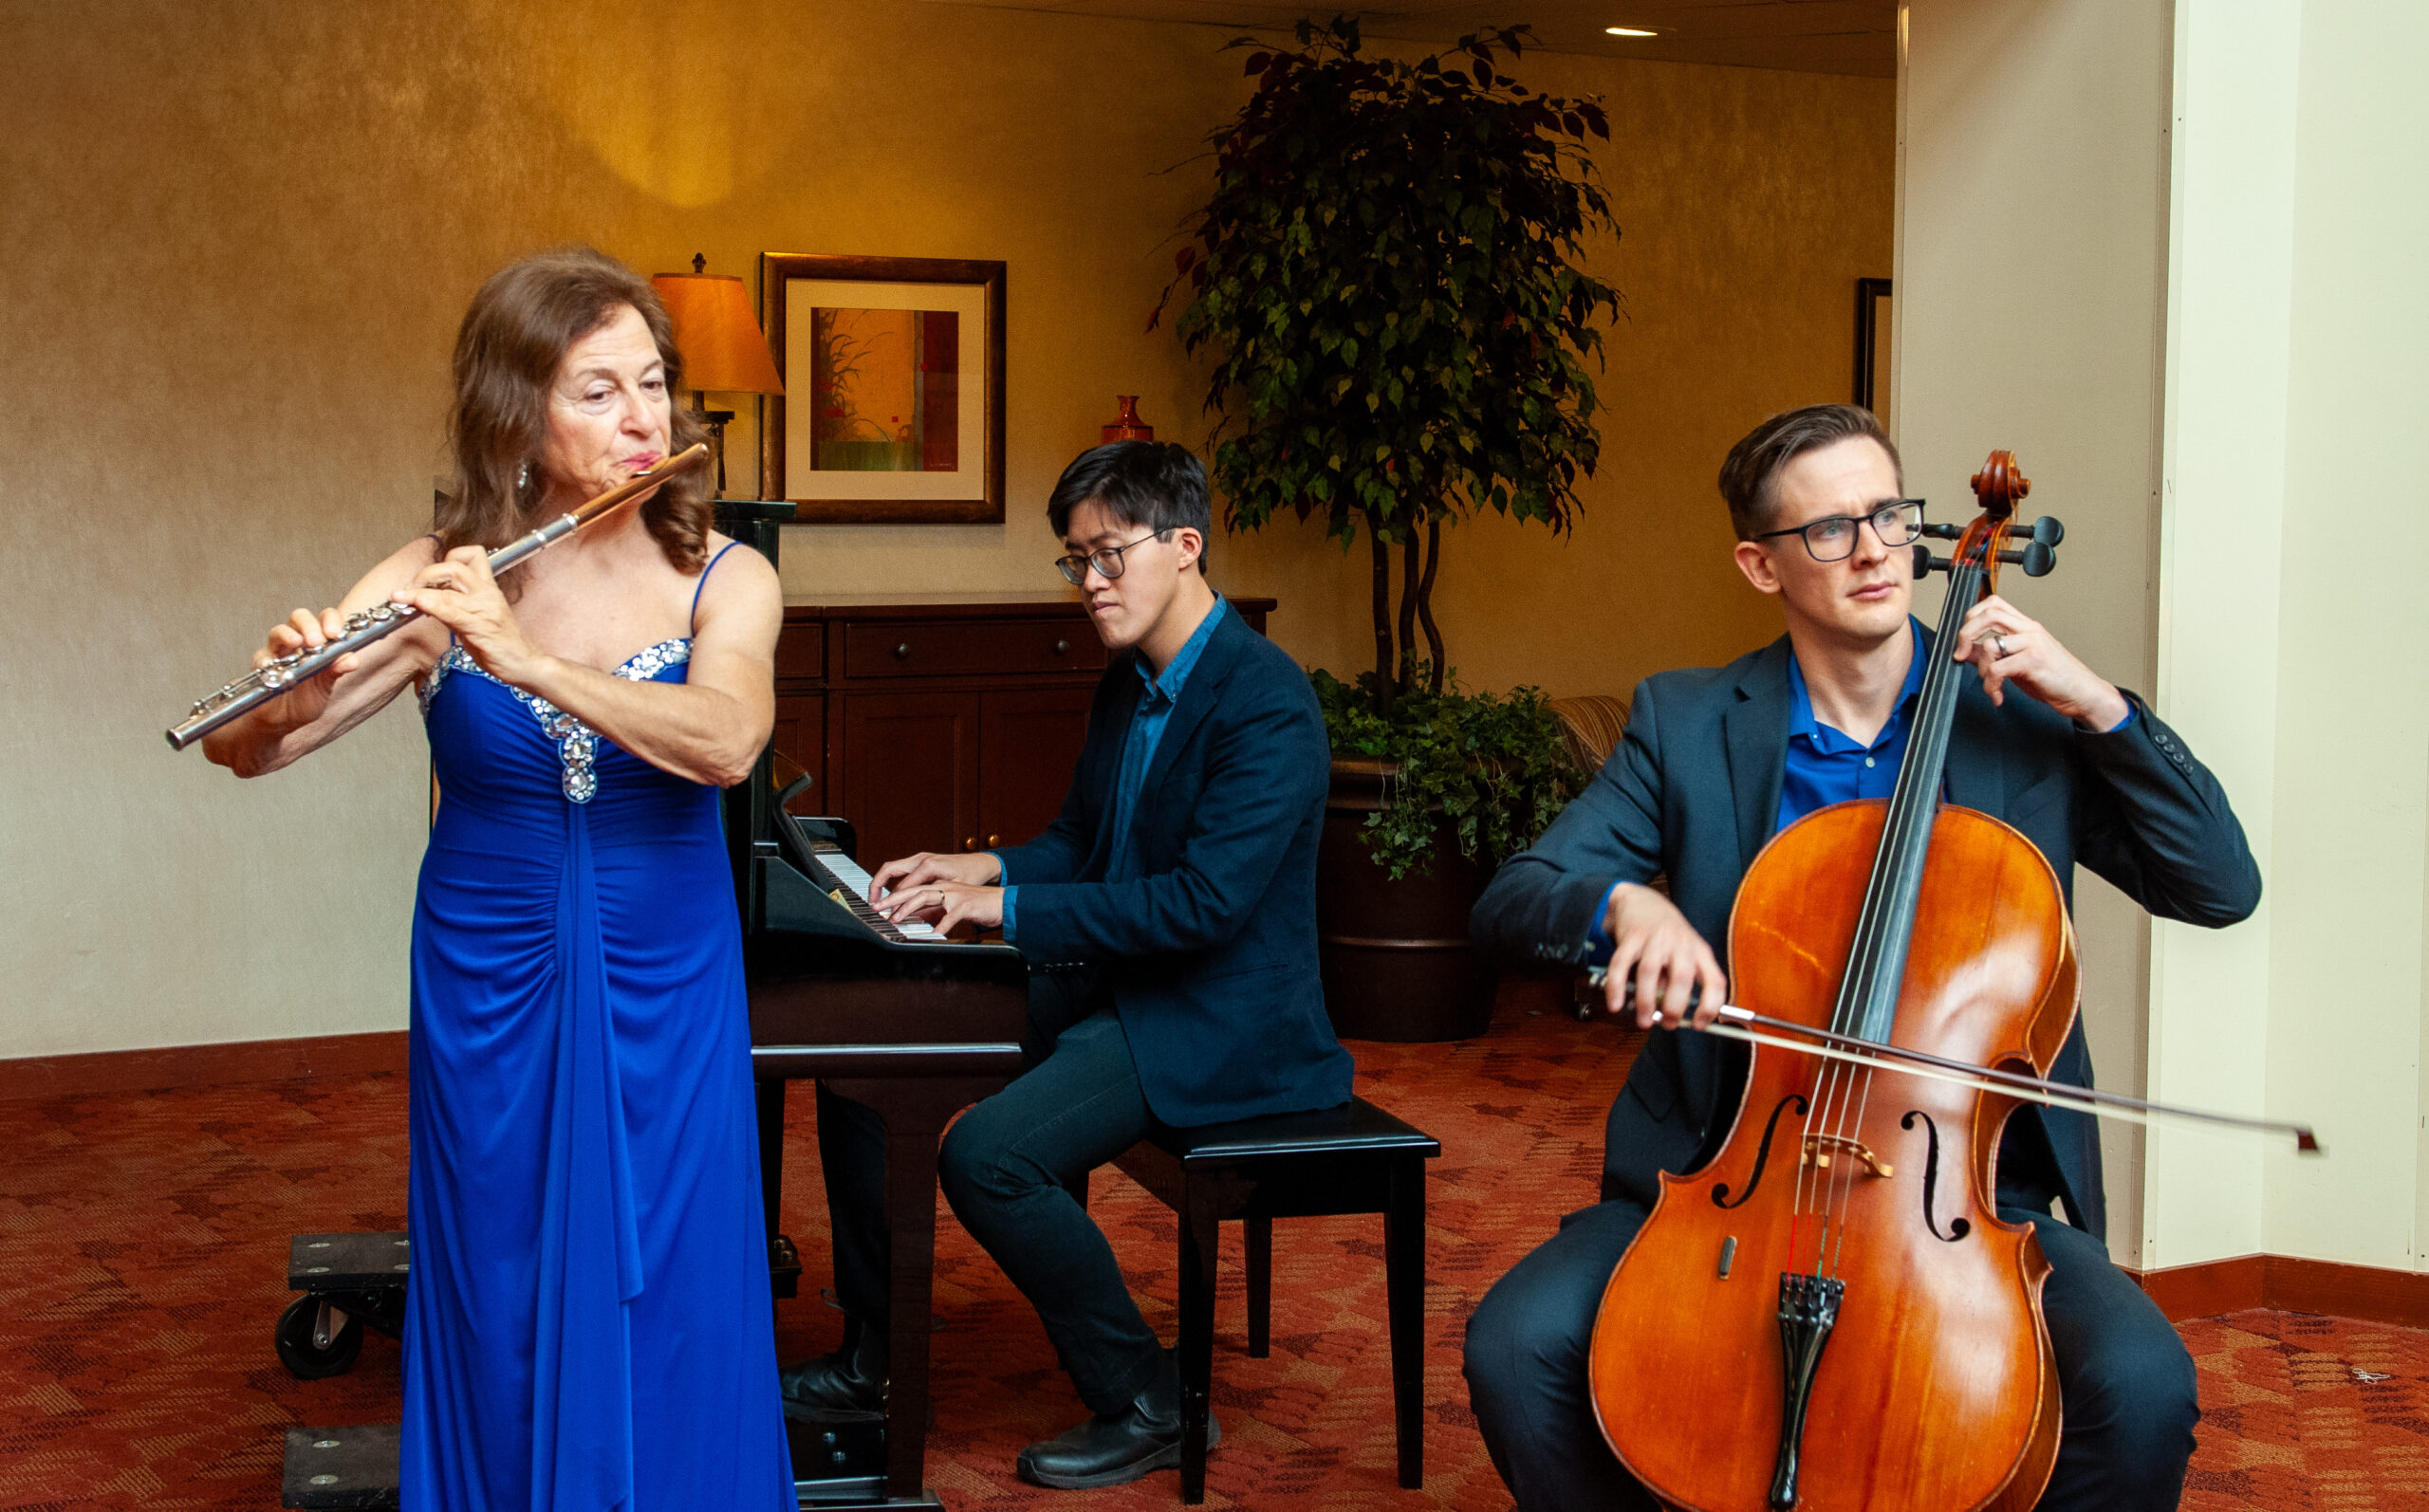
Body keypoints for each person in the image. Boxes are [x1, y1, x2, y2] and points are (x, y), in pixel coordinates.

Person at [1461, 403, 2260, 1512]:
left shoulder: (2021, 721)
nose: (1877, 550)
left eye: (1888, 513)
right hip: (1723, 1174)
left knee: (2141, 1388)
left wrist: (2097, 706)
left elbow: (2219, 886)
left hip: (1966, 1192)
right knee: (1516, 1347)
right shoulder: (1686, 721)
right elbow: (1514, 895)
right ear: (1761, 565)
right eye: (1830, 529)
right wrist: (1621, 904)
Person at [204, 247, 795, 1510]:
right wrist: (288, 696)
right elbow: (253, 750)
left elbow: (727, 739)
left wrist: (526, 659)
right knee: (498, 1273)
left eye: (654, 384)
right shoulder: (445, 570)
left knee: (674, 1274)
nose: (644, 418)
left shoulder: (726, 574)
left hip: (662, 971)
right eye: (600, 390)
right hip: (490, 977)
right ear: (518, 412)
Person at [778, 440, 1354, 1489]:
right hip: (1117, 977)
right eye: (1075, 560)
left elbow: (1201, 905)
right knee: (869, 1060)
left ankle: (1150, 1397)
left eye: (1107, 555)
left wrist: (1001, 909)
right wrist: (980, 865)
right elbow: (1085, 842)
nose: (1089, 582)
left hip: (1215, 1017)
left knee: (986, 1158)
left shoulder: (1267, 702)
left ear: (1186, 546)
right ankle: (877, 1357)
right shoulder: (1129, 681)